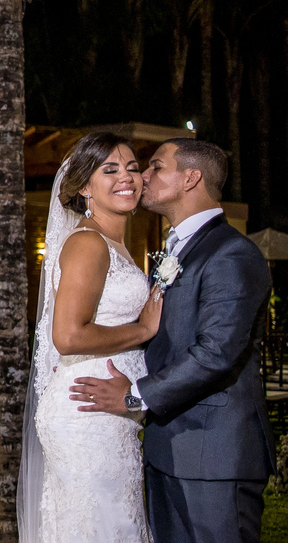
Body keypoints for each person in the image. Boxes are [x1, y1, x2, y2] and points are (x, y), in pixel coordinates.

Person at [71, 138, 275, 543]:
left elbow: (216, 353)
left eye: (156, 167)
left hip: (215, 456)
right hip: (166, 448)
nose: (141, 176)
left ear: (191, 178)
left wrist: (135, 397)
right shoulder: (176, 247)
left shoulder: (232, 253)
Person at [18, 132, 163, 542]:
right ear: (85, 187)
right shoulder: (88, 244)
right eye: (110, 170)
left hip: (108, 407)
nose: (127, 178)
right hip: (87, 412)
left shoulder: (114, 242)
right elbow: (68, 336)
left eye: (132, 168)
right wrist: (143, 330)